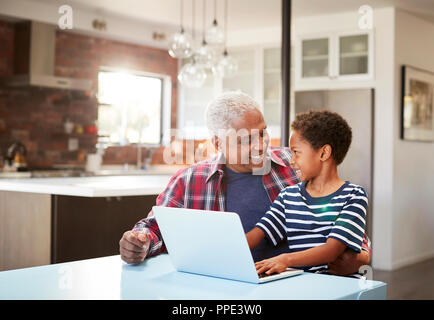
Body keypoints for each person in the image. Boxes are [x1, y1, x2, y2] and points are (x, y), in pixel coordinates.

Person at [119, 91, 371, 276]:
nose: (260, 145)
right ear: (217, 144)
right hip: (224, 289)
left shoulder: (296, 165)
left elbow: (346, 221)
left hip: (297, 284)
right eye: (245, 140)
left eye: (262, 133)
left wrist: (359, 258)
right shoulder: (189, 181)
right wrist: (139, 242)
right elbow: (155, 228)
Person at [246, 110, 368, 278]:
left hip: (341, 287)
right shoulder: (287, 196)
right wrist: (223, 249)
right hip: (304, 285)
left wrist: (286, 259)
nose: (291, 160)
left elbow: (332, 250)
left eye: (296, 152)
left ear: (324, 153)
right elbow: (258, 233)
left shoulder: (354, 196)